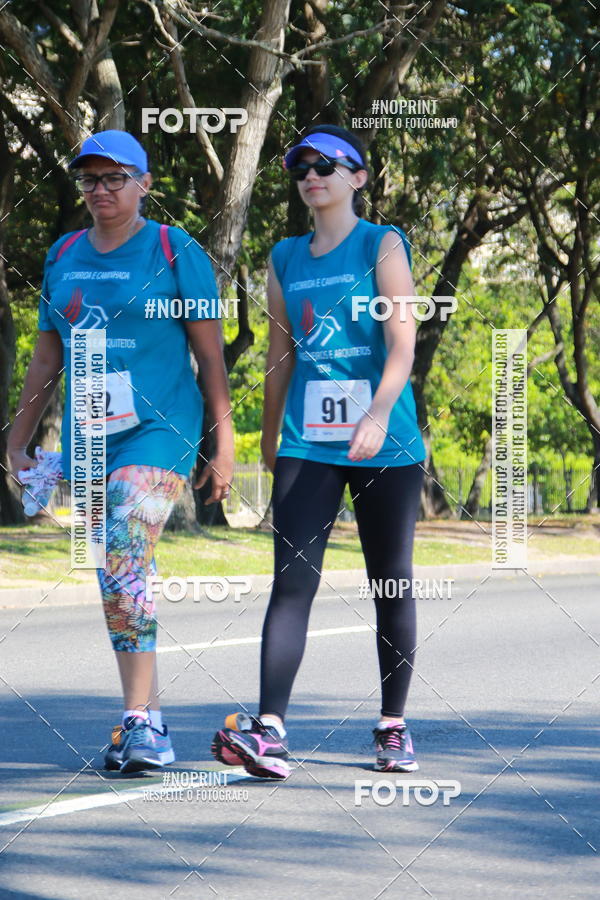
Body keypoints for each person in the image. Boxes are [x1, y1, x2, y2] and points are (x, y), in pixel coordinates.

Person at [8, 130, 234, 773]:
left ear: (144, 184)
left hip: (160, 430)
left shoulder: (174, 249)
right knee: (117, 571)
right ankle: (146, 719)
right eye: (89, 179)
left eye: (115, 179)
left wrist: (224, 435)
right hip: (89, 435)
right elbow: (48, 353)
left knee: (125, 555)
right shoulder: (62, 254)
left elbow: (210, 349)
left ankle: (142, 725)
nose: (101, 191)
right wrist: (17, 438)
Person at [212, 124, 426, 779]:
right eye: (301, 165)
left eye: (327, 164)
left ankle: (393, 726)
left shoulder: (380, 244)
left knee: (389, 581)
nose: (312, 174)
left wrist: (379, 410)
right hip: (310, 441)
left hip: (385, 443)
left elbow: (403, 340)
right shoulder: (283, 258)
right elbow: (281, 355)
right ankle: (270, 730)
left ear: (358, 177)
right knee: (290, 584)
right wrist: (269, 440)